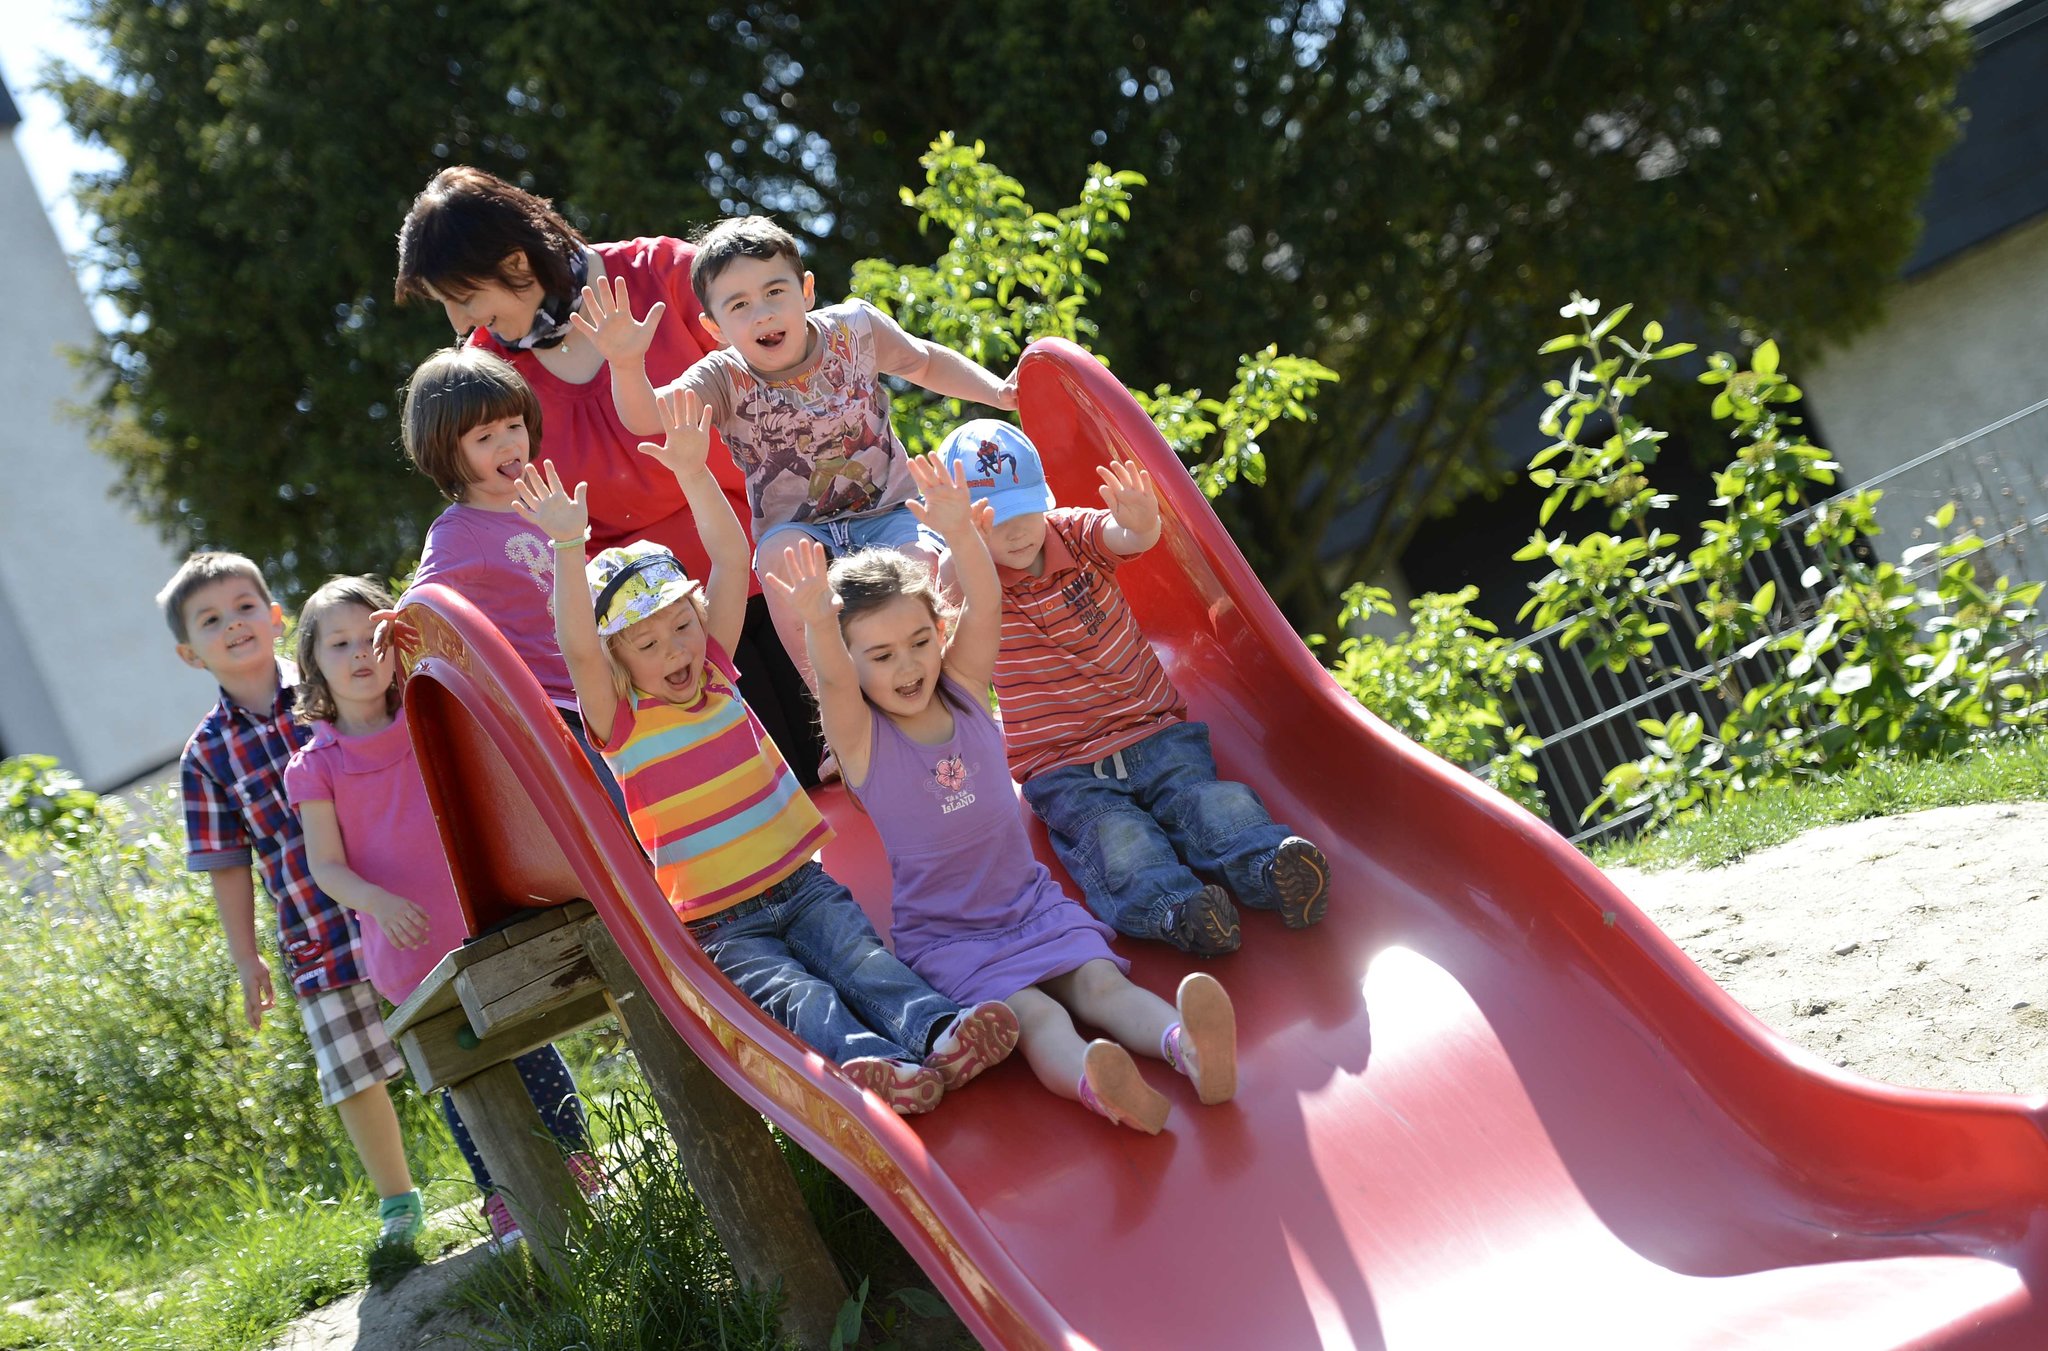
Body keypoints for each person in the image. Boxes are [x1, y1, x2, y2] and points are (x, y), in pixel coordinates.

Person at [518, 389, 1018, 1115]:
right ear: (622, 659)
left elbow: (728, 555)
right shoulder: (621, 719)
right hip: (721, 919)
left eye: (682, 626)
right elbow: (577, 648)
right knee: (800, 995)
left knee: (862, 959)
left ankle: (942, 1032)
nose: (677, 649)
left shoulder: (718, 669)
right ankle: (873, 1066)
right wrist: (567, 545)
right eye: (649, 643)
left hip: (801, 879)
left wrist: (694, 472)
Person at [764, 457, 1237, 1133]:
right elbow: (834, 683)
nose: (909, 664)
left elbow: (985, 604)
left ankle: (1187, 1047)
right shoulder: (864, 740)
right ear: (852, 662)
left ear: (938, 631)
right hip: (951, 937)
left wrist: (961, 534)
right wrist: (816, 619)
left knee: (1104, 986)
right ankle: (1099, 1085)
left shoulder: (962, 687)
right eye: (883, 654)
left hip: (1031, 902)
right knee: (1038, 1016)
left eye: (920, 640)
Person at [392, 166, 823, 786]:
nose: (459, 325)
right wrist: (422, 619)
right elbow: (495, 518)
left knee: (848, 769)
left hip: (782, 559)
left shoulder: (665, 274)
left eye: (462, 300)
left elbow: (796, 370)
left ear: (514, 261)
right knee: (751, 803)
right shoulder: (487, 372)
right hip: (658, 636)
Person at [284, 575, 600, 1252]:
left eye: (371, 636)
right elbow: (325, 865)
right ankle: (507, 1198)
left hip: (479, 917)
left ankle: (579, 1162)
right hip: (407, 947)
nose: (359, 654)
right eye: (338, 643)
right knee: (465, 1075)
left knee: (526, 1045)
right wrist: (377, 901)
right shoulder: (318, 765)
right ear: (313, 665)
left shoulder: (428, 708)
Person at [938, 420, 1333, 958]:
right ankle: (1180, 911)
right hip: (1065, 766)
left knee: (1212, 802)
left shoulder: (1071, 534)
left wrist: (1141, 523)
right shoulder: (969, 576)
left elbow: (1123, 539)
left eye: (1025, 509)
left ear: (1043, 497)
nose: (1017, 531)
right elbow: (946, 595)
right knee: (1118, 841)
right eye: (995, 522)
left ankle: (1272, 865)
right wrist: (959, 537)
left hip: (1151, 728)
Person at [581, 213, 1019, 686]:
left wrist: (997, 392)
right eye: (740, 305)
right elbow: (648, 416)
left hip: (889, 507)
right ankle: (831, 703)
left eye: (775, 292)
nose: (763, 313)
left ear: (806, 290)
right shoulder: (723, 377)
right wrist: (625, 364)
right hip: (798, 528)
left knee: (922, 566)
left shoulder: (855, 329)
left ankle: (951, 682)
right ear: (715, 327)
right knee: (777, 563)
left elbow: (925, 362)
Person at [160, 552, 425, 1249]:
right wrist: (246, 958)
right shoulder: (207, 755)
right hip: (313, 922)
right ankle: (399, 1199)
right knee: (352, 1069)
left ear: (277, 618)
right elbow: (227, 865)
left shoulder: (332, 687)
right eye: (212, 620)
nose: (235, 625)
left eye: (245, 607)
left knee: (443, 1032)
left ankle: (501, 1172)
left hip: (399, 894)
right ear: (189, 654)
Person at [394, 344, 628, 818]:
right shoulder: (459, 531)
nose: (508, 445)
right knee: (615, 811)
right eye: (484, 438)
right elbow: (424, 603)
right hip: (550, 707)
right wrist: (397, 622)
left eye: (514, 426)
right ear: (447, 451)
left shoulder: (541, 502)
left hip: (603, 683)